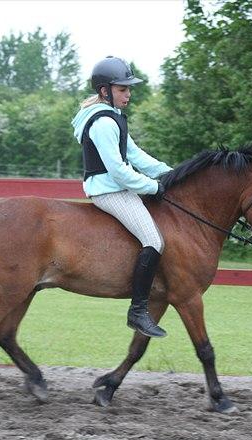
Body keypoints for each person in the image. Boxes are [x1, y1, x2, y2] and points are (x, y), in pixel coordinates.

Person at [71, 56, 172, 338]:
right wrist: (155, 187)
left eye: (129, 89)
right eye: (122, 89)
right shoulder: (103, 123)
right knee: (154, 240)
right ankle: (138, 311)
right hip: (109, 191)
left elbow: (136, 157)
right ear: (105, 91)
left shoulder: (113, 117)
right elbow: (118, 171)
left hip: (116, 187)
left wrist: (173, 174)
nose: (128, 94)